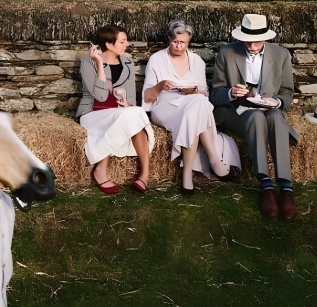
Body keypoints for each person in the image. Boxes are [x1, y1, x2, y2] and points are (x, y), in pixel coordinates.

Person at [211, 14, 298, 220]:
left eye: (256, 40)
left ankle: (286, 187)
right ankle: (265, 185)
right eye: (247, 40)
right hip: (236, 111)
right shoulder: (226, 52)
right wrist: (231, 93)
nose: (251, 45)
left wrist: (276, 102)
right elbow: (215, 94)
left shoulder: (281, 55)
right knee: (256, 117)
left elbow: (287, 92)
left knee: (276, 117)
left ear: (265, 37)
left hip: (269, 108)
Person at [142, 19, 241, 194]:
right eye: (175, 41)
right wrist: (160, 86)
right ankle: (214, 158)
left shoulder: (197, 61)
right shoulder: (156, 60)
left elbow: (205, 94)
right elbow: (147, 97)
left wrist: (191, 92)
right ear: (169, 39)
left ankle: (187, 174)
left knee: (198, 104)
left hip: (192, 104)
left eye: (183, 42)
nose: (179, 46)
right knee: (198, 106)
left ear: (189, 41)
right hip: (164, 107)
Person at [76, 25, 155, 194]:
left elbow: (131, 95)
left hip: (119, 112)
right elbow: (100, 96)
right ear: (109, 44)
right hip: (92, 113)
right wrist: (99, 63)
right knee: (131, 117)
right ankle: (100, 169)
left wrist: (128, 105)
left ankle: (144, 175)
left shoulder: (127, 61)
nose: (127, 44)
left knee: (134, 115)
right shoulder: (88, 61)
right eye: (122, 41)